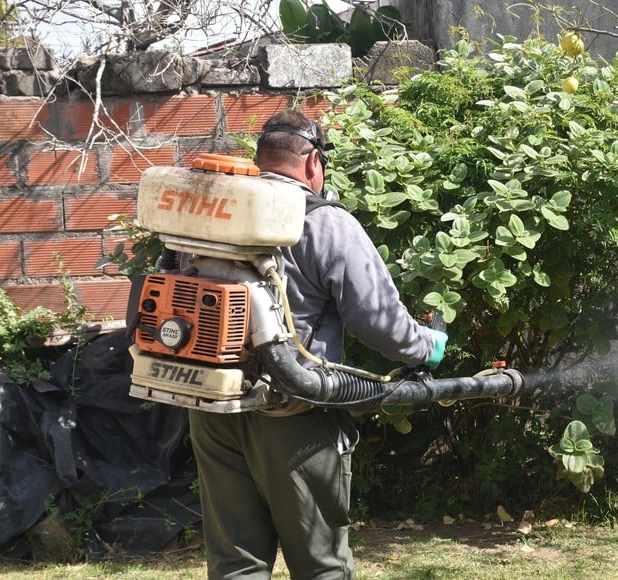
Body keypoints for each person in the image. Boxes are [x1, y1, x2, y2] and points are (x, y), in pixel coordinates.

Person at [188, 109, 447, 579]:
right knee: (321, 564)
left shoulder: (214, 211)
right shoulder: (326, 223)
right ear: (313, 164)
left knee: (235, 564)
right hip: (294, 414)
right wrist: (427, 346)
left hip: (214, 406)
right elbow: (380, 322)